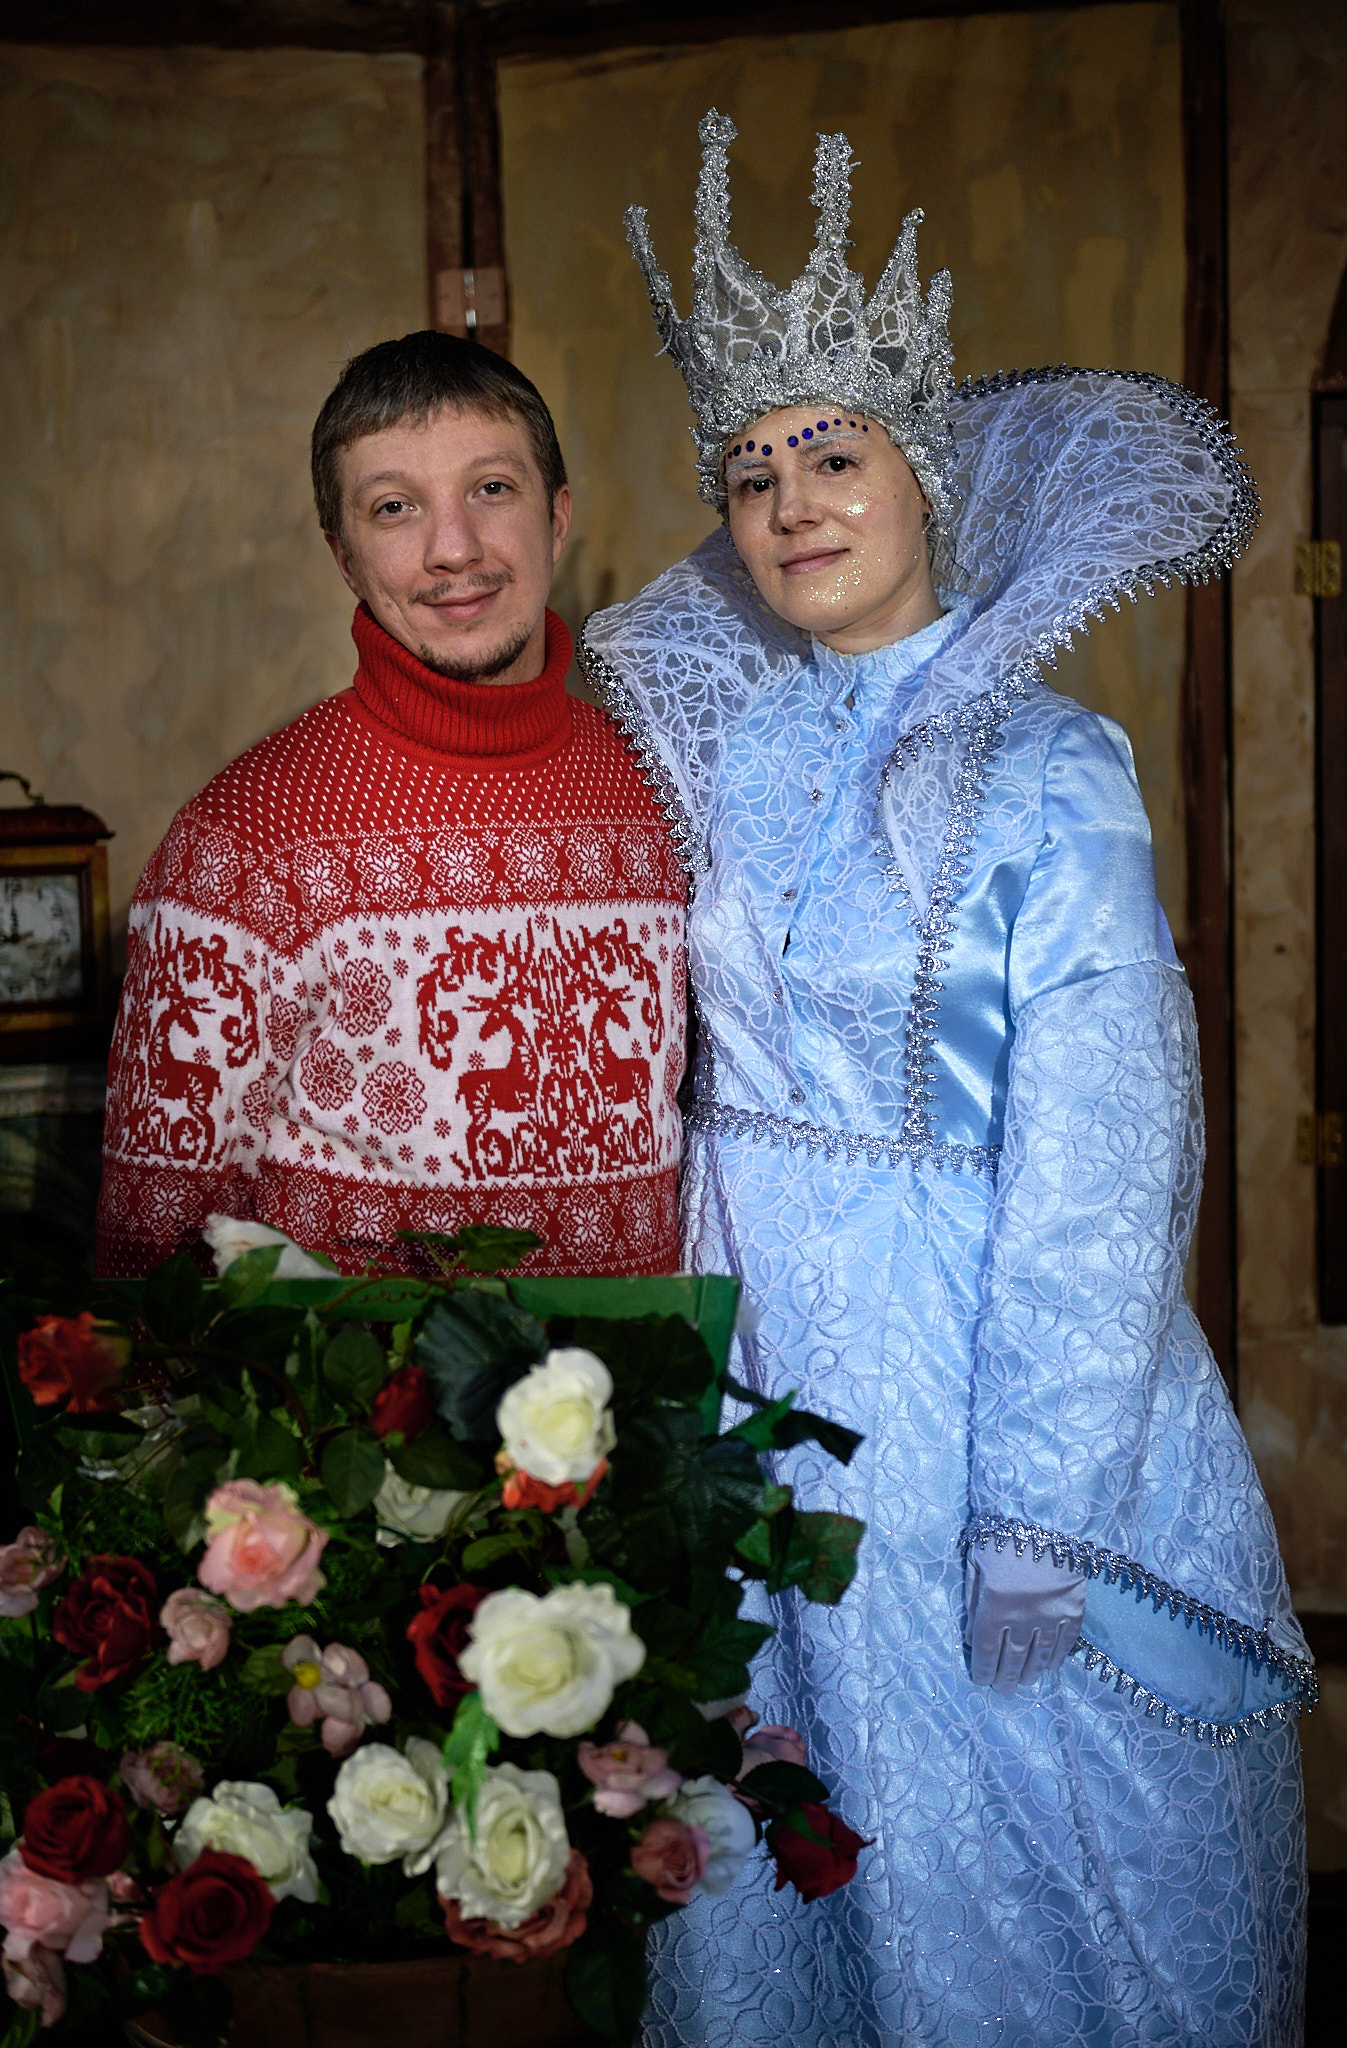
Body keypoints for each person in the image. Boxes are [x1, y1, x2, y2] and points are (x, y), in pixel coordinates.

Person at [581, 114, 1312, 2047]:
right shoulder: (721, 755)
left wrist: (1040, 1507)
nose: (789, 503)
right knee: (782, 1850)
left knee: (1000, 1873)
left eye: (832, 453)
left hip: (975, 1398)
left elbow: (1104, 1152)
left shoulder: (1049, 764)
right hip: (762, 1389)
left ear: (924, 472)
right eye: (751, 471)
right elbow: (697, 1098)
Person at [96, 334, 686, 1278]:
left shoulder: (661, 788)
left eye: (491, 488)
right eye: (394, 507)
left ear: (557, 516)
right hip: (369, 1376)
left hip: (644, 1369)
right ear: (343, 554)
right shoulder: (246, 840)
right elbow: (150, 1257)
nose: (453, 549)